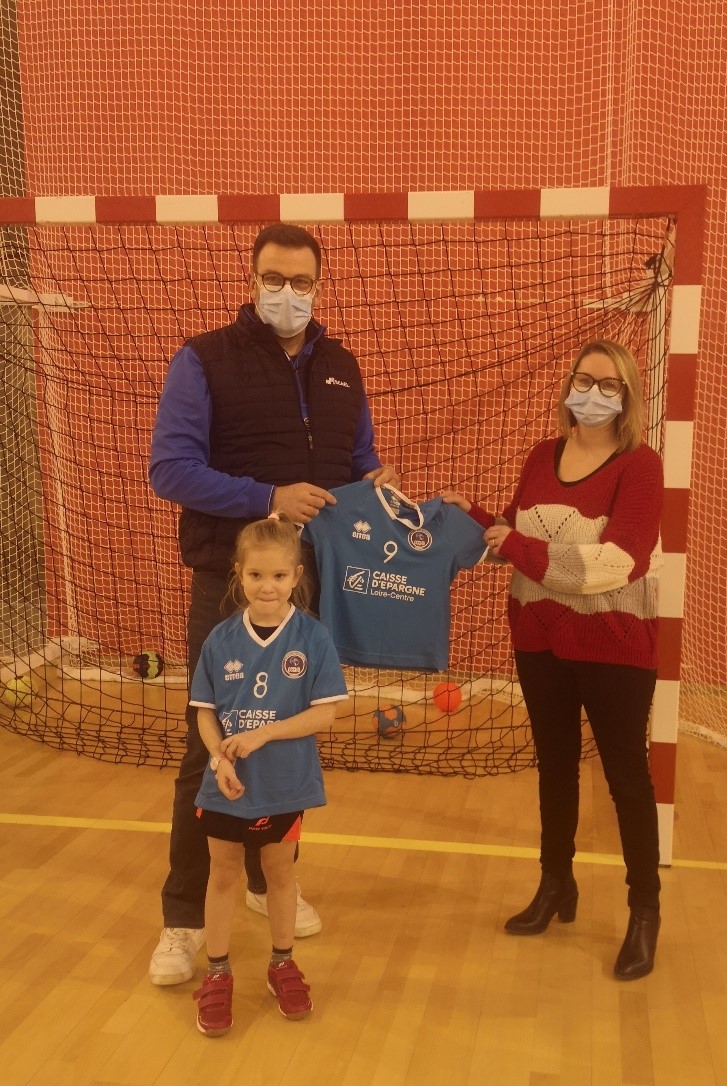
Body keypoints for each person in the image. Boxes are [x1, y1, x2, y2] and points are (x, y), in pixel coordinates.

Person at [148, 222, 398, 987]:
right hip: (227, 581)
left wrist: (404, 502)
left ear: (319, 286)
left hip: (309, 588)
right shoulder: (203, 359)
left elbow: (360, 468)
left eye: (302, 282)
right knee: (211, 744)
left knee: (287, 741)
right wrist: (268, 498)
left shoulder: (342, 367)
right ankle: (184, 920)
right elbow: (171, 469)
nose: (287, 294)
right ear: (252, 278)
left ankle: (265, 884)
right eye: (274, 278)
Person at [443, 340, 664, 980]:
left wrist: (516, 543)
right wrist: (470, 519)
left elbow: (617, 564)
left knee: (627, 778)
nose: (591, 392)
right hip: (538, 639)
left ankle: (644, 911)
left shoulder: (640, 466)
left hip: (615, 645)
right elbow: (519, 534)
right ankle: (555, 885)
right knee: (554, 768)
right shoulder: (543, 456)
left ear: (627, 398)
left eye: (608, 384)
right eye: (582, 379)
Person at [189, 513, 347, 1035]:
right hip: (226, 786)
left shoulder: (313, 637)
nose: (268, 586)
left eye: (279, 576)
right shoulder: (219, 640)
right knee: (223, 874)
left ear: (296, 576)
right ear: (238, 574)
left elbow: (325, 712)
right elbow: (205, 711)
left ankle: (282, 961)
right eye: (256, 575)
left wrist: (263, 734)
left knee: (280, 874)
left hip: (286, 783)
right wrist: (219, 757)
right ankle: (216, 972)